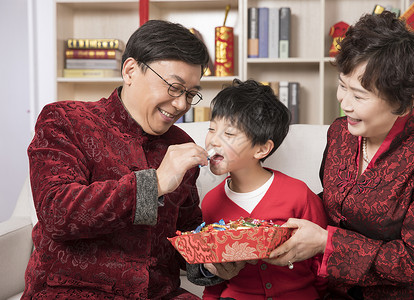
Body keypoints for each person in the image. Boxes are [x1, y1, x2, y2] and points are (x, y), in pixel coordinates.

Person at [266, 11, 414, 299]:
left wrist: (328, 244)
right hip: (338, 288)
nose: (344, 103)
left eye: (359, 95)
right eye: (342, 85)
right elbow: (334, 202)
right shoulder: (340, 133)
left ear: (403, 100)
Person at [22, 20, 211, 299]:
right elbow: (57, 213)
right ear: (131, 70)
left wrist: (215, 262)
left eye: (191, 93)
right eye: (174, 87)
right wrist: (155, 183)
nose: (182, 104)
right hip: (72, 291)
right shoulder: (64, 120)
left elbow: (186, 237)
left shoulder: (181, 144)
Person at [187, 79, 328, 299]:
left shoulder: (299, 195)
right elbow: (213, 284)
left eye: (229, 134)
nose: (213, 140)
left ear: (262, 149)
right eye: (212, 129)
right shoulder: (210, 203)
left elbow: (322, 266)